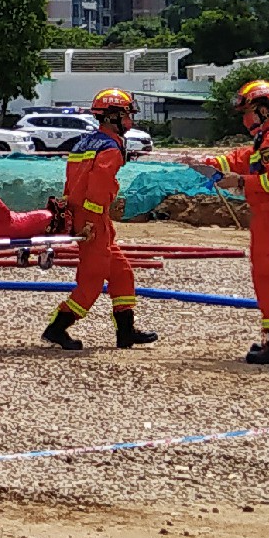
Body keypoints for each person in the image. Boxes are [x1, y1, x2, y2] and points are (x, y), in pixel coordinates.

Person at [43, 89, 157, 351]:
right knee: (92, 280)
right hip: (92, 219)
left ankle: (126, 332)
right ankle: (58, 327)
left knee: (122, 273)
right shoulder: (110, 147)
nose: (130, 120)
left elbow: (72, 182)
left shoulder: (85, 143)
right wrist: (91, 221)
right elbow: (99, 185)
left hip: (88, 215)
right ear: (112, 117)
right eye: (126, 115)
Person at [198, 78, 269, 365]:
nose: (245, 119)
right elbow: (244, 158)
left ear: (263, 110)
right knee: (264, 277)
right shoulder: (268, 138)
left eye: (248, 112)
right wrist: (208, 163)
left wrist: (241, 182)